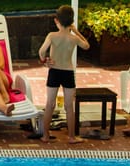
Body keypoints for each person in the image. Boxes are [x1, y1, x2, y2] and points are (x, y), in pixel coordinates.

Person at [34, 5, 90, 143]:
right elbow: (87, 46)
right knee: (69, 106)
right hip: (68, 73)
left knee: (50, 104)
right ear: (71, 21)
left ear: (56, 20)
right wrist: (76, 31)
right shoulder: (74, 39)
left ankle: (45, 135)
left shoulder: (52, 36)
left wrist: (44, 61)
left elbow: (41, 51)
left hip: (54, 71)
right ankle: (71, 137)